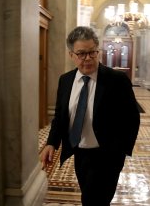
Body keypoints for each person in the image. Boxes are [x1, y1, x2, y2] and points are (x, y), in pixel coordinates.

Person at [40, 26, 140, 206]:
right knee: (89, 195)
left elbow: (132, 118)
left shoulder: (117, 80)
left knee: (94, 200)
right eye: (81, 54)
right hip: (80, 152)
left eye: (92, 53)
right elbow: (61, 117)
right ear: (71, 55)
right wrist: (52, 143)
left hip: (107, 155)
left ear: (98, 51)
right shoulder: (66, 80)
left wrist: (120, 151)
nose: (88, 59)